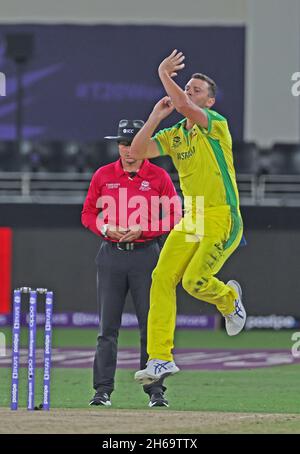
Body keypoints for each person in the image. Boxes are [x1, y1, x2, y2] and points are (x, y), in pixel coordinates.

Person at [130, 50, 247, 386]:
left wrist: (164, 74)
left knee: (194, 282)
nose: (189, 91)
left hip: (221, 215)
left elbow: (183, 106)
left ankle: (229, 299)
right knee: (161, 277)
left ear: (208, 102)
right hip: (192, 216)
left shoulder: (216, 125)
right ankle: (160, 359)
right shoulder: (176, 134)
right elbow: (137, 153)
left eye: (196, 90)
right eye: (188, 87)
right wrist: (154, 116)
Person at [81, 119, 181, 407]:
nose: (127, 150)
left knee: (151, 327)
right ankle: (102, 391)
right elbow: (88, 213)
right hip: (111, 254)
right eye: (123, 143)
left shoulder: (159, 176)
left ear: (145, 145)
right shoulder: (103, 175)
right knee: (107, 329)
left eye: (133, 143)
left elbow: (174, 216)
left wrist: (144, 230)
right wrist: (104, 228)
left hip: (146, 255)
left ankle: (155, 391)